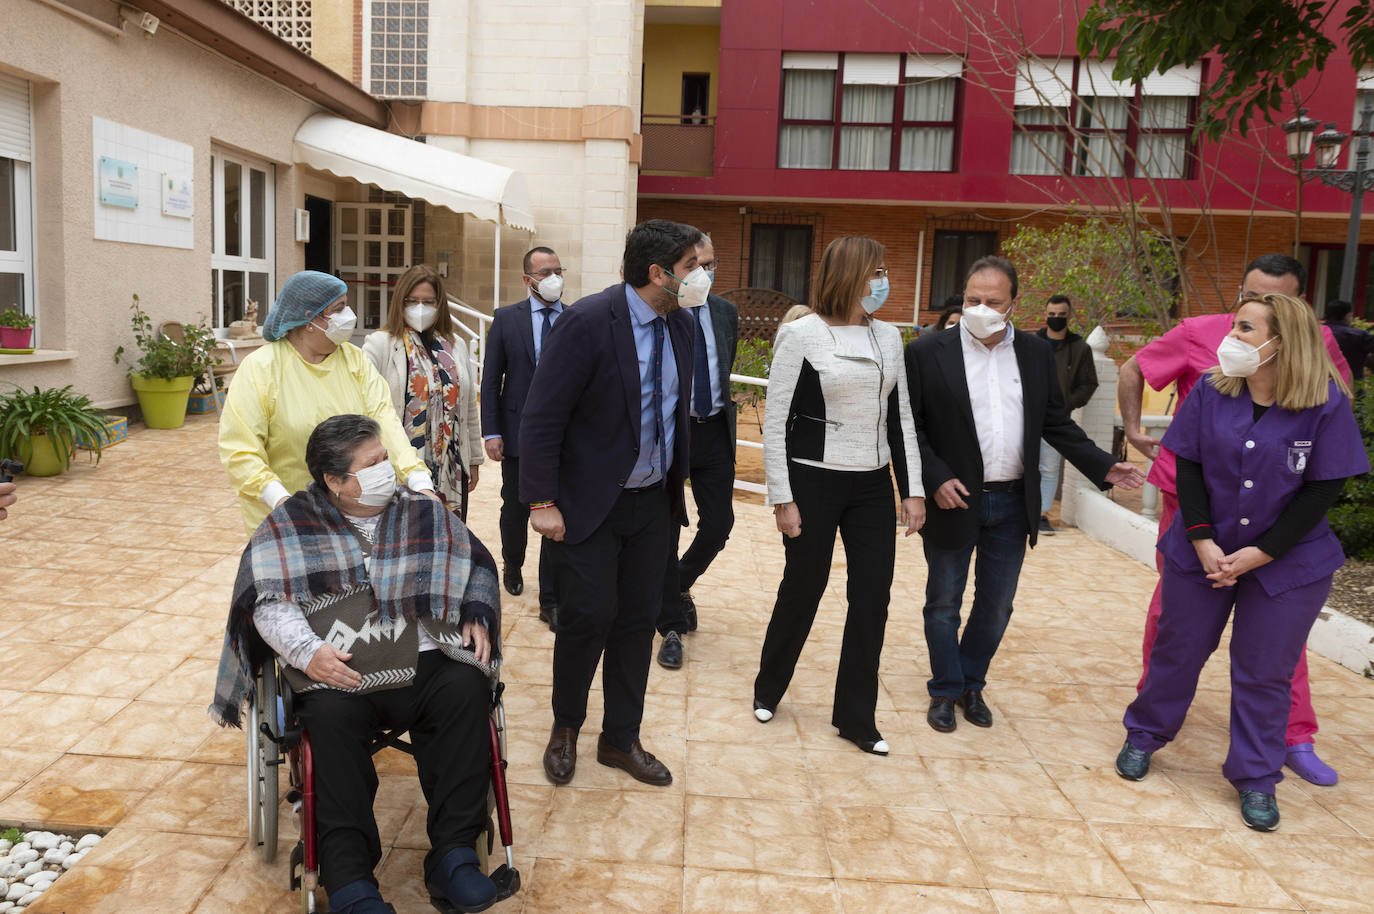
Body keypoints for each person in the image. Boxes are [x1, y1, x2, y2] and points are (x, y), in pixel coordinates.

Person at [211, 414, 503, 914]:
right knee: (327, 721)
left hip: (425, 662)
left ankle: (454, 856)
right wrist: (307, 653)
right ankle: (349, 877)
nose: (386, 470)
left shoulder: (421, 510)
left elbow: (474, 562)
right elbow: (267, 600)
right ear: (334, 480)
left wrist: (477, 611)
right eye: (372, 465)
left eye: (385, 458)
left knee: (467, 687)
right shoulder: (291, 524)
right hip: (341, 674)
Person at [1116, 293, 1368, 831]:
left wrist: (1260, 553)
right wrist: (1204, 540)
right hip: (1202, 551)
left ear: (1283, 342)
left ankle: (1256, 777)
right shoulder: (1211, 390)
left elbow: (1322, 490)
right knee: (1178, 650)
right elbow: (1187, 466)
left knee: (1265, 672)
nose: (1233, 338)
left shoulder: (1324, 403)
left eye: (1247, 329)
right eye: (1235, 326)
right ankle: (1145, 736)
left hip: (1287, 562)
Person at [906, 256, 1145, 733]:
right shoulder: (928, 351)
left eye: (992, 301)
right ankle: (946, 688)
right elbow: (911, 427)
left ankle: (973, 682)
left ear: (1013, 304)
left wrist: (1103, 464)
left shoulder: (1035, 355)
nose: (980, 308)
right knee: (943, 602)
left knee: (997, 605)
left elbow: (1054, 423)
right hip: (954, 498)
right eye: (973, 299)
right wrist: (933, 478)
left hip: (1014, 502)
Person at [520, 220, 699, 787]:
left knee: (636, 621)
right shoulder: (589, 321)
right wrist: (541, 500)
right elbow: (543, 415)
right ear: (658, 273)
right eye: (694, 266)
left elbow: (673, 413)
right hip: (590, 503)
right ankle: (566, 727)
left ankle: (621, 739)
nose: (702, 277)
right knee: (587, 618)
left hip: (652, 503)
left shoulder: (683, 326)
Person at [754, 236, 926, 755]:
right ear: (849, 274)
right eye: (874, 272)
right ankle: (769, 686)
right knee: (803, 588)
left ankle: (856, 718)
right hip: (813, 481)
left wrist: (911, 490)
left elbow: (902, 419)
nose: (882, 283)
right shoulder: (801, 335)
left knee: (872, 600)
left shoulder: (890, 337)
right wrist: (782, 498)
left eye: (884, 272)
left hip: (872, 485)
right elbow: (777, 422)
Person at [219, 271, 435, 534]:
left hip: (352, 514)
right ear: (309, 319)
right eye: (339, 308)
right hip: (283, 519)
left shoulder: (354, 362)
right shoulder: (261, 369)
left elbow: (384, 421)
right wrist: (282, 501)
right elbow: (240, 449)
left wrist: (418, 478)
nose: (349, 316)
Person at [656, 235, 740, 670]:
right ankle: (669, 626)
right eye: (695, 265)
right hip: (673, 433)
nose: (704, 274)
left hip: (714, 432)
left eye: (711, 264)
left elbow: (722, 370)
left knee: (720, 522)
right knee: (667, 527)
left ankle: (677, 585)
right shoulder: (664, 313)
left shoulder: (727, 313)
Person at [481, 247, 565, 629]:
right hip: (516, 433)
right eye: (544, 272)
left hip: (563, 436)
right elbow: (491, 379)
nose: (553, 278)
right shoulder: (506, 319)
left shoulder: (574, 318)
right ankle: (512, 564)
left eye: (557, 271)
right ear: (527, 279)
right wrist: (492, 431)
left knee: (555, 508)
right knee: (515, 507)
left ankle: (552, 593)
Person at [363, 264, 482, 521]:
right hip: (399, 465)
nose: (420, 308)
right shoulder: (380, 345)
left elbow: (469, 404)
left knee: (444, 538)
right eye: (412, 300)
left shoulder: (455, 344)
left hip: (450, 468)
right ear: (400, 301)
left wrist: (473, 458)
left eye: (428, 301)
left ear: (440, 304)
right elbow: (363, 405)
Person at [1036, 294, 1099, 535]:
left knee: (1049, 467)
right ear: (1045, 315)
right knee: (1021, 463)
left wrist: (1067, 404)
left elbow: (1088, 383)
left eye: (1061, 316)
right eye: (1052, 315)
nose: (1056, 319)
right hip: (1027, 415)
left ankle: (1042, 513)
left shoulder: (1080, 348)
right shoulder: (1032, 344)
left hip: (1057, 419)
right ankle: (1021, 511)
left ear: (1069, 315)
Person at [1323, 299, 1374, 382]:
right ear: (1348, 316)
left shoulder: (1314, 332)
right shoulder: (1359, 336)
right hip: (1351, 387)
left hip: (1316, 387)